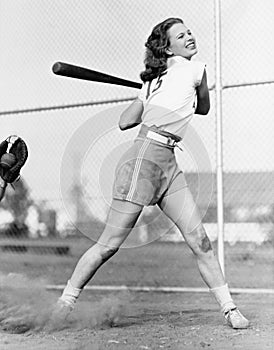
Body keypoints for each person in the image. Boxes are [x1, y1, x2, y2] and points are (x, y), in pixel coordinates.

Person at [56, 17, 249, 329]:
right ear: (167, 46)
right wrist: (147, 96)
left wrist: (152, 94)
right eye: (181, 35)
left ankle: (230, 309)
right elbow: (125, 122)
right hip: (144, 159)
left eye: (189, 32)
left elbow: (200, 108)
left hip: (169, 165)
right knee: (109, 245)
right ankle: (65, 302)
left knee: (200, 240)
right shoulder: (157, 80)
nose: (189, 37)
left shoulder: (194, 70)